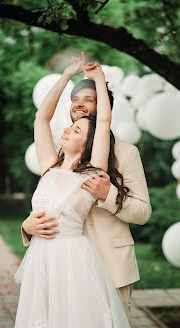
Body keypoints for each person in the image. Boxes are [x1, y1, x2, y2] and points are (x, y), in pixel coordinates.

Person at [21, 52, 152, 323]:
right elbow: (40, 119)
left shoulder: (117, 156)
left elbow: (142, 212)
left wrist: (108, 194)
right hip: (52, 269)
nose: (79, 105)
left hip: (109, 267)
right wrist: (27, 228)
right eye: (74, 99)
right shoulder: (53, 160)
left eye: (88, 99)